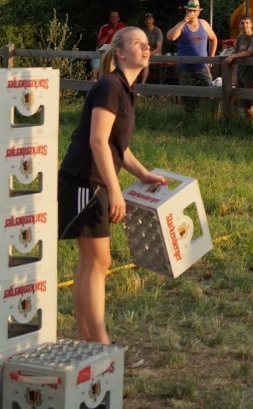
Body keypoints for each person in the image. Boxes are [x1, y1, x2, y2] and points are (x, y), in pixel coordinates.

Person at [58, 27, 167, 344]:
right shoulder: (110, 86)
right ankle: (100, 343)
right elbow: (97, 140)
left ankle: (87, 339)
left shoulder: (123, 88)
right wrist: (114, 189)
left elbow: (118, 146)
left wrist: (143, 174)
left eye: (147, 44)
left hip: (92, 182)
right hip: (84, 181)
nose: (146, 48)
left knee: (91, 261)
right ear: (120, 52)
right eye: (138, 43)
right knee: (98, 261)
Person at [166, 0, 218, 112]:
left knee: (210, 93)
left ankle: (209, 115)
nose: (192, 13)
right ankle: (188, 118)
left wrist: (212, 56)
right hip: (185, 67)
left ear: (198, 12)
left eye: (194, 11)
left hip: (202, 67)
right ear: (186, 11)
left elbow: (214, 39)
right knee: (187, 98)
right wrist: (183, 22)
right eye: (189, 10)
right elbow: (171, 37)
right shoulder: (182, 25)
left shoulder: (204, 23)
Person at [222, 15, 253, 118]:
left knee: (248, 104)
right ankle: (249, 123)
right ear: (239, 25)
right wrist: (226, 57)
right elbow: (236, 51)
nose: (245, 25)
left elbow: (248, 52)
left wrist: (232, 56)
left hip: (251, 75)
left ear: (251, 24)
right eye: (242, 23)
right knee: (241, 103)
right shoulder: (240, 37)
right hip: (240, 73)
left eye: (247, 23)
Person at [90, 10, 126, 80]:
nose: (114, 19)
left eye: (116, 17)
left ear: (119, 19)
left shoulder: (122, 27)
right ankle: (92, 85)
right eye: (112, 17)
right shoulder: (104, 27)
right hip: (103, 50)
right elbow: (99, 44)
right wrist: (107, 34)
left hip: (116, 52)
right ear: (109, 19)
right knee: (94, 72)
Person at [139, 11, 164, 85]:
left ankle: (142, 84)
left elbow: (158, 48)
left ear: (153, 20)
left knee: (146, 61)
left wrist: (149, 54)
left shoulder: (157, 31)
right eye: (146, 19)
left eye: (150, 19)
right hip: (145, 52)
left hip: (155, 53)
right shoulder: (143, 31)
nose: (148, 21)